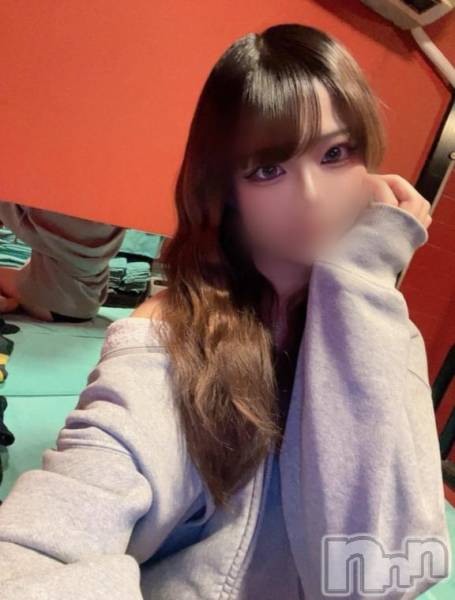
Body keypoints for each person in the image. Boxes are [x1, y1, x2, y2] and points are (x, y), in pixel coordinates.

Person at [0, 23, 450, 599]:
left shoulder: (385, 331)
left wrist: (362, 279)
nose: (311, 197)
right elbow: (63, 520)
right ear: (227, 191)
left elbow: (380, 577)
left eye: (336, 154)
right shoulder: (168, 336)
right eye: (267, 169)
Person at [0, 203, 126, 322]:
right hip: (90, 302)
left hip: (53, 303)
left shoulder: (50, 207)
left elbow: (7, 206)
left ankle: (7, 303)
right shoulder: (116, 206)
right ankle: (10, 302)